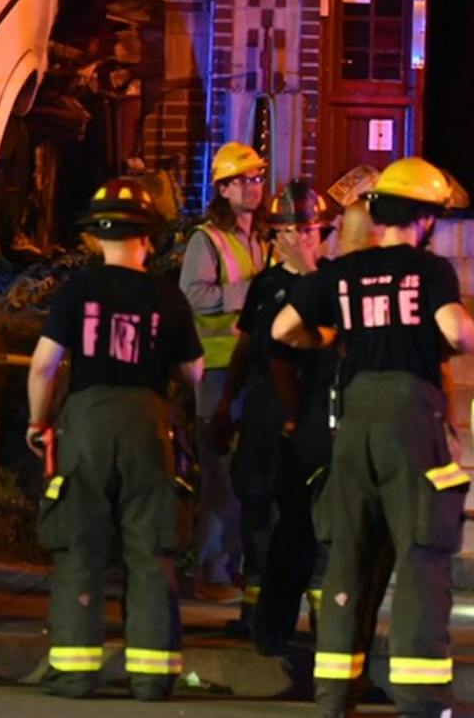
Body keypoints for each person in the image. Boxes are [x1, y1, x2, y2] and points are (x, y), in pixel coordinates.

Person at [273, 155, 474, 718]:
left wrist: (331, 338)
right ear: (426, 218)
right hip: (408, 416)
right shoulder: (430, 270)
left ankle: (335, 691)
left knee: (350, 552)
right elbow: (459, 335)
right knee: (420, 548)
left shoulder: (343, 271)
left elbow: (282, 329)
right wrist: (471, 334)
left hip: (354, 417)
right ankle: (420, 695)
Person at [28, 178, 205, 702]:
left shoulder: (77, 291)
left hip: (86, 421)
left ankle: (76, 672)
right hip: (148, 423)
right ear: (147, 239)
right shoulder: (166, 295)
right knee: (151, 549)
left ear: (95, 239)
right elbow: (195, 374)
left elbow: (43, 366)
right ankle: (152, 677)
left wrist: (38, 423)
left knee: (79, 544)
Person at [225, 180, 338, 656]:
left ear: (324, 232)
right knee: (258, 507)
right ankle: (258, 614)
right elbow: (249, 348)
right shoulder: (267, 286)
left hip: (315, 414)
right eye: (290, 229)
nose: (300, 237)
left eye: (309, 228)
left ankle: (322, 614)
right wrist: (223, 407)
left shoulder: (333, 283)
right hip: (265, 410)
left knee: (317, 519)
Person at [180, 141, 267, 605]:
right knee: (219, 473)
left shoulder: (261, 237)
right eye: (245, 180)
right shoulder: (207, 239)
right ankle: (212, 572)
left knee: (246, 472)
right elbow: (192, 294)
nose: (254, 187)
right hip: (215, 369)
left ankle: (234, 568)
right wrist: (247, 294)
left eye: (257, 179)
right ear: (223, 188)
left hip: (252, 369)